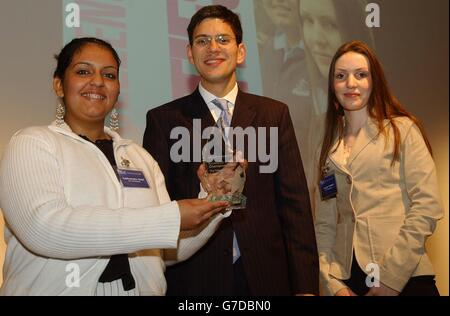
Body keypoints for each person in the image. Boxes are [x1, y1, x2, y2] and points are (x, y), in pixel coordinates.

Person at [0, 37, 230, 296]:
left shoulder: (140, 157)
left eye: (109, 75)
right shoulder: (32, 143)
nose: (97, 81)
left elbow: (165, 250)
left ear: (118, 89)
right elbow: (43, 228)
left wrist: (214, 202)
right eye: (83, 71)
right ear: (59, 85)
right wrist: (171, 217)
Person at [143, 5, 319, 296]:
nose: (213, 48)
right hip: (195, 280)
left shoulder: (273, 115)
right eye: (202, 41)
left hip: (266, 277)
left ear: (240, 52)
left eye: (223, 40)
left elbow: (295, 208)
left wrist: (306, 288)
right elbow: (159, 210)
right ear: (190, 53)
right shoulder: (164, 121)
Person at [315, 40, 443, 296]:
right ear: (332, 86)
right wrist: (333, 285)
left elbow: (427, 207)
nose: (351, 83)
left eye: (361, 75)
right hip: (349, 281)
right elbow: (324, 225)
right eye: (341, 76)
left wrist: (389, 281)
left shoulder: (403, 130)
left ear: (374, 82)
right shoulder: (328, 146)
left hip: (406, 278)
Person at [293, 0, 376, 210]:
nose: (316, 39)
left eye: (330, 24)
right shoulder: (318, 121)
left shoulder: (399, 129)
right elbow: (324, 211)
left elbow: (423, 204)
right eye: (308, 21)